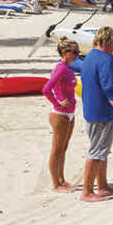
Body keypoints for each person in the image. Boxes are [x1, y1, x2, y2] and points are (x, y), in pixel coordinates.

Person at [76, 26, 113, 201]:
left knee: (101, 150)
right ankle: (87, 191)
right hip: (103, 112)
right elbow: (110, 90)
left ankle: (102, 186)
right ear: (108, 41)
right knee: (97, 151)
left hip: (92, 110)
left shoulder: (90, 56)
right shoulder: (106, 60)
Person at [42, 37, 80, 192]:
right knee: (56, 150)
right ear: (65, 53)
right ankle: (55, 183)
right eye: (75, 51)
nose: (77, 54)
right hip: (60, 114)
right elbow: (46, 89)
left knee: (63, 149)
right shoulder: (61, 68)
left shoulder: (68, 68)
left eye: (78, 51)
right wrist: (58, 102)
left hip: (69, 114)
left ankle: (61, 179)